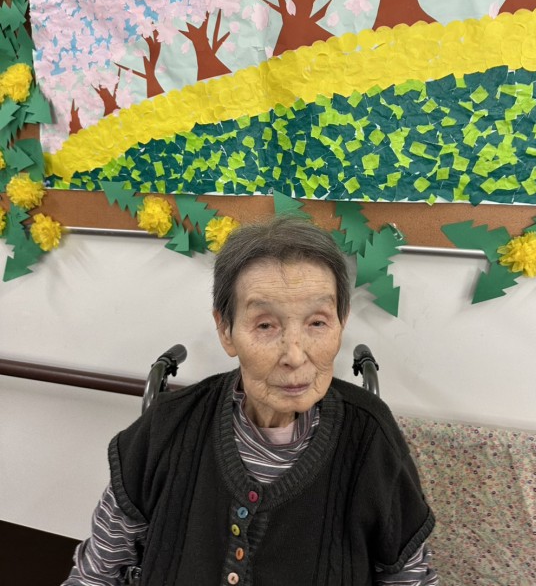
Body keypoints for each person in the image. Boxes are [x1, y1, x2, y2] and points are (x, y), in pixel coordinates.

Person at [63, 215, 438, 585]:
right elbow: (95, 574)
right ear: (225, 330)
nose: (294, 355)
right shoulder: (165, 427)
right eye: (265, 325)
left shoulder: (370, 436)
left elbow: (410, 579)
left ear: (342, 322)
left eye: (317, 322)